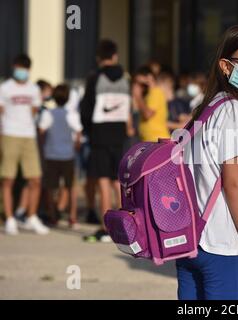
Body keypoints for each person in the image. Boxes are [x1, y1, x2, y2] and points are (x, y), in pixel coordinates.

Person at [176, 25, 238, 300]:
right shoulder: (232, 109)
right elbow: (233, 182)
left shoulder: (207, 109)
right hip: (219, 244)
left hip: (190, 240)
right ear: (226, 66)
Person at [80, 39, 132, 242]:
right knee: (117, 181)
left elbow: (86, 109)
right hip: (119, 135)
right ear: (115, 56)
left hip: (99, 136)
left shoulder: (95, 78)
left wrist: (88, 130)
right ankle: (126, 225)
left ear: (98, 58)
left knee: (102, 180)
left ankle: (107, 227)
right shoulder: (125, 79)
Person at [0, 54, 49, 235]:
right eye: (20, 67)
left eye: (25, 69)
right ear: (14, 67)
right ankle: (10, 219)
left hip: (29, 136)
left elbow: (34, 111)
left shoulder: (33, 89)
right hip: (10, 135)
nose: (22, 72)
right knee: (8, 179)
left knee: (35, 179)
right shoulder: (4, 88)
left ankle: (31, 217)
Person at [38, 84, 82, 229]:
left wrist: (44, 147)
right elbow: (78, 131)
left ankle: (52, 216)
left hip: (51, 155)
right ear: (68, 97)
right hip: (68, 155)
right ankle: (72, 216)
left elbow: (42, 131)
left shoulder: (48, 113)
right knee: (71, 187)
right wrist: (76, 145)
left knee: (51, 187)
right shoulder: (71, 114)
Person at [138, 69, 170, 142]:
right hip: (152, 139)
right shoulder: (149, 95)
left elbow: (148, 114)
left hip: (156, 139)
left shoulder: (155, 92)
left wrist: (138, 96)